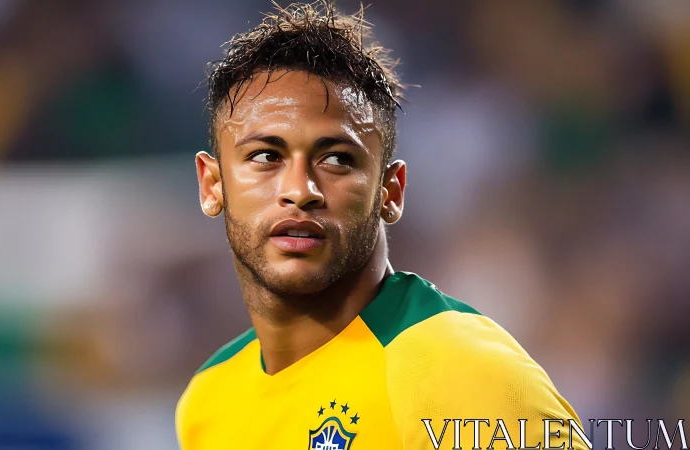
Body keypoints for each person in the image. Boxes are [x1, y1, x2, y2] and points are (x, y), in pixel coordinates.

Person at [176, 2, 587, 449]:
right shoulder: (208, 400)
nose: (300, 189)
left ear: (390, 191)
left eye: (336, 159)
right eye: (265, 156)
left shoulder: (455, 368)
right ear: (212, 185)